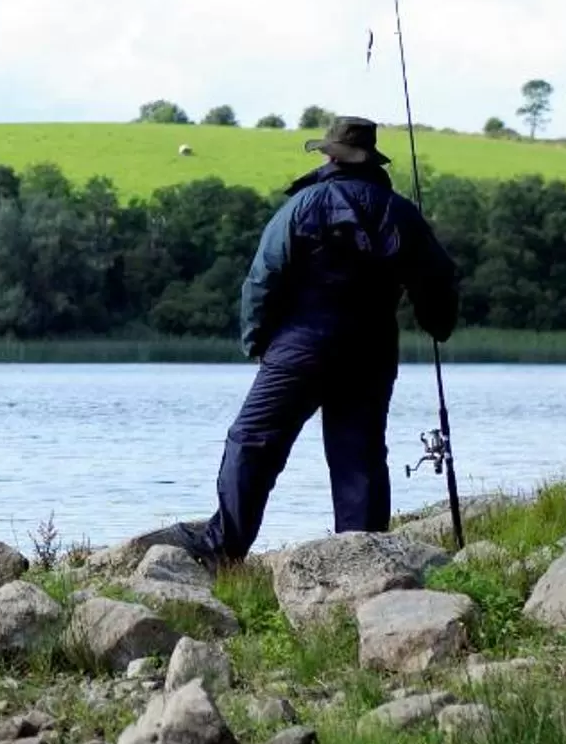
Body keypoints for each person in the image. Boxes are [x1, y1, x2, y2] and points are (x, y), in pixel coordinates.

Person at [142, 116, 459, 562]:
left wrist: (257, 341)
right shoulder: (400, 212)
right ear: (371, 159)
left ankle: (222, 551)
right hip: (371, 350)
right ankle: (364, 558)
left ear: (329, 156)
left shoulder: (301, 206)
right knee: (359, 455)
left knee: (251, 442)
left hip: (300, 347)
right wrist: (437, 324)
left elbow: (262, 278)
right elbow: (439, 278)